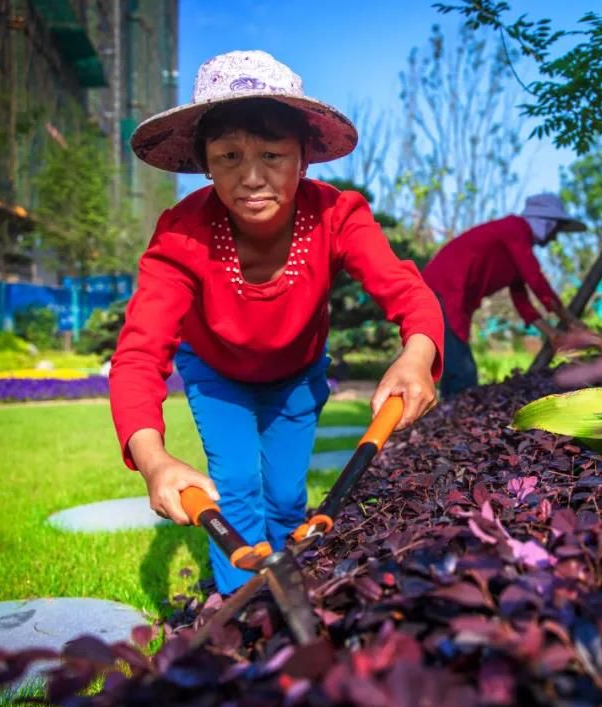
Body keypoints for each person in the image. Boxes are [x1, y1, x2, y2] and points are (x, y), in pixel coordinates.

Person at [111, 50, 444, 595]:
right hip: (217, 374)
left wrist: (417, 354)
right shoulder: (181, 234)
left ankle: (295, 591)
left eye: (272, 154)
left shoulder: (338, 215)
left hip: (296, 373)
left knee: (288, 496)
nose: (251, 177)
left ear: (304, 158)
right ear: (205, 163)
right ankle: (235, 603)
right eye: (228, 156)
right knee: (237, 485)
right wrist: (154, 461)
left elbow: (407, 290)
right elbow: (139, 355)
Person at [421, 193, 586, 397]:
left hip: (453, 300)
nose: (554, 238)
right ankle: (448, 423)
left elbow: (522, 303)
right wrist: (571, 321)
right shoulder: (514, 230)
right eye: (556, 231)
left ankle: (444, 421)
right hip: (442, 293)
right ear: (548, 224)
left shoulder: (517, 245)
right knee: (462, 374)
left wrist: (552, 333)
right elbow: (537, 282)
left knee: (456, 370)